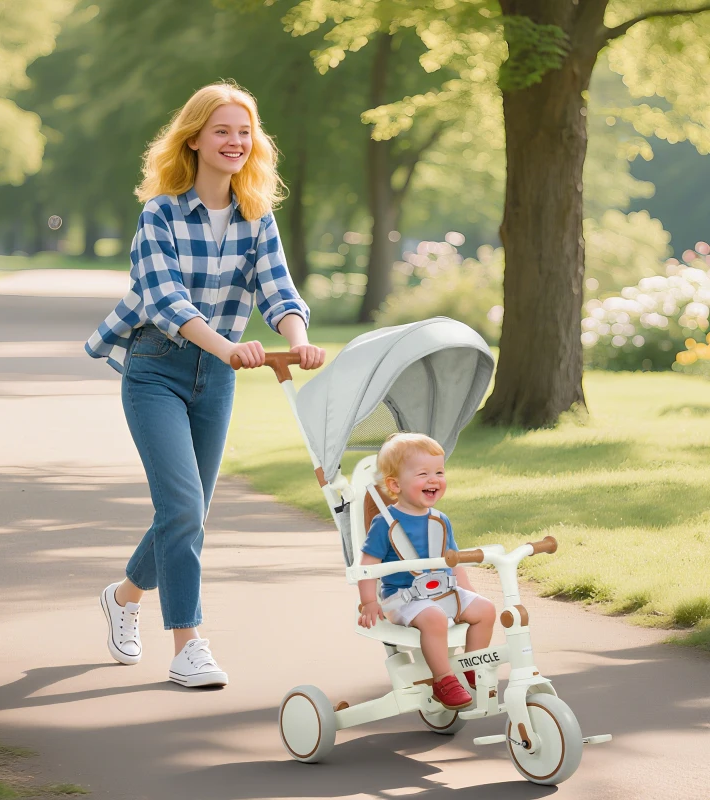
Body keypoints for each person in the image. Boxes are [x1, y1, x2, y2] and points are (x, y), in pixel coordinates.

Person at [85, 81, 325, 688]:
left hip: (215, 378)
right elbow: (165, 300)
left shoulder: (255, 216)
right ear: (194, 139)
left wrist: (296, 339)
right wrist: (228, 346)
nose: (235, 142)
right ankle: (188, 645)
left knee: (186, 512)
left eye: (244, 132)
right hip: (155, 368)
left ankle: (124, 595)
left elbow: (278, 289)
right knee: (185, 508)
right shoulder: (160, 214)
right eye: (222, 130)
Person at [358, 433, 496, 709]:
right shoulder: (384, 524)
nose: (434, 479)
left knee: (486, 610)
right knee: (432, 617)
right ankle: (444, 680)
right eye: (423, 474)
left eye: (439, 472)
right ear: (395, 484)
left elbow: (451, 562)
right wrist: (369, 602)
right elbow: (368, 566)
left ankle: (470, 663)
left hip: (442, 590)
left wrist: (467, 593)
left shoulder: (440, 520)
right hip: (402, 599)